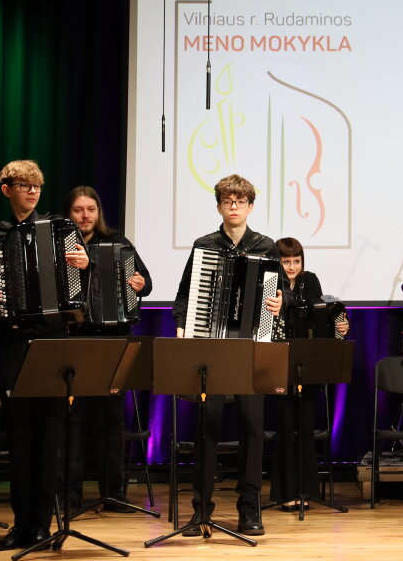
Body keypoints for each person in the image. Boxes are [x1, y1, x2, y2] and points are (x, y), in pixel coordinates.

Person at [0, 160, 88, 550]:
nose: (32, 191)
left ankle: (41, 523)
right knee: (19, 436)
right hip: (12, 341)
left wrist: (84, 266)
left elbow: (79, 289)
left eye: (37, 186)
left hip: (52, 340)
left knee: (49, 435)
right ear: (7, 190)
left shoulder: (60, 228)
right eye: (24, 186)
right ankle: (21, 523)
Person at [172, 173, 275, 536]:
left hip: (250, 348)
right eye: (228, 201)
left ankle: (250, 510)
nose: (234, 207)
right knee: (207, 427)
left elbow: (280, 296)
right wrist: (183, 325)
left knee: (252, 429)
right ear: (219, 206)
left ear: (250, 206)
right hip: (211, 346)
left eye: (241, 201)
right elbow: (184, 295)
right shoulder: (204, 245)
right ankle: (201, 511)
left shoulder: (266, 246)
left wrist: (280, 304)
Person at [64, 186, 152, 514]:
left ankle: (113, 494)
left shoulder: (118, 243)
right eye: (78, 210)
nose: (85, 215)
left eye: (91, 209)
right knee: (73, 419)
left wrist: (140, 284)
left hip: (113, 339)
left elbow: (145, 282)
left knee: (111, 420)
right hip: (75, 339)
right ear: (69, 213)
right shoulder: (61, 245)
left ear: (99, 212)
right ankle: (69, 496)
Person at [269, 237, 348, 512]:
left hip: (308, 366)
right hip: (278, 362)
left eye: (296, 261)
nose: (292, 267)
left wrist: (340, 326)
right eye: (286, 262)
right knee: (284, 427)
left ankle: (306, 491)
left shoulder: (310, 280)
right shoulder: (270, 282)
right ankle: (285, 492)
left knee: (304, 428)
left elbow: (322, 316)